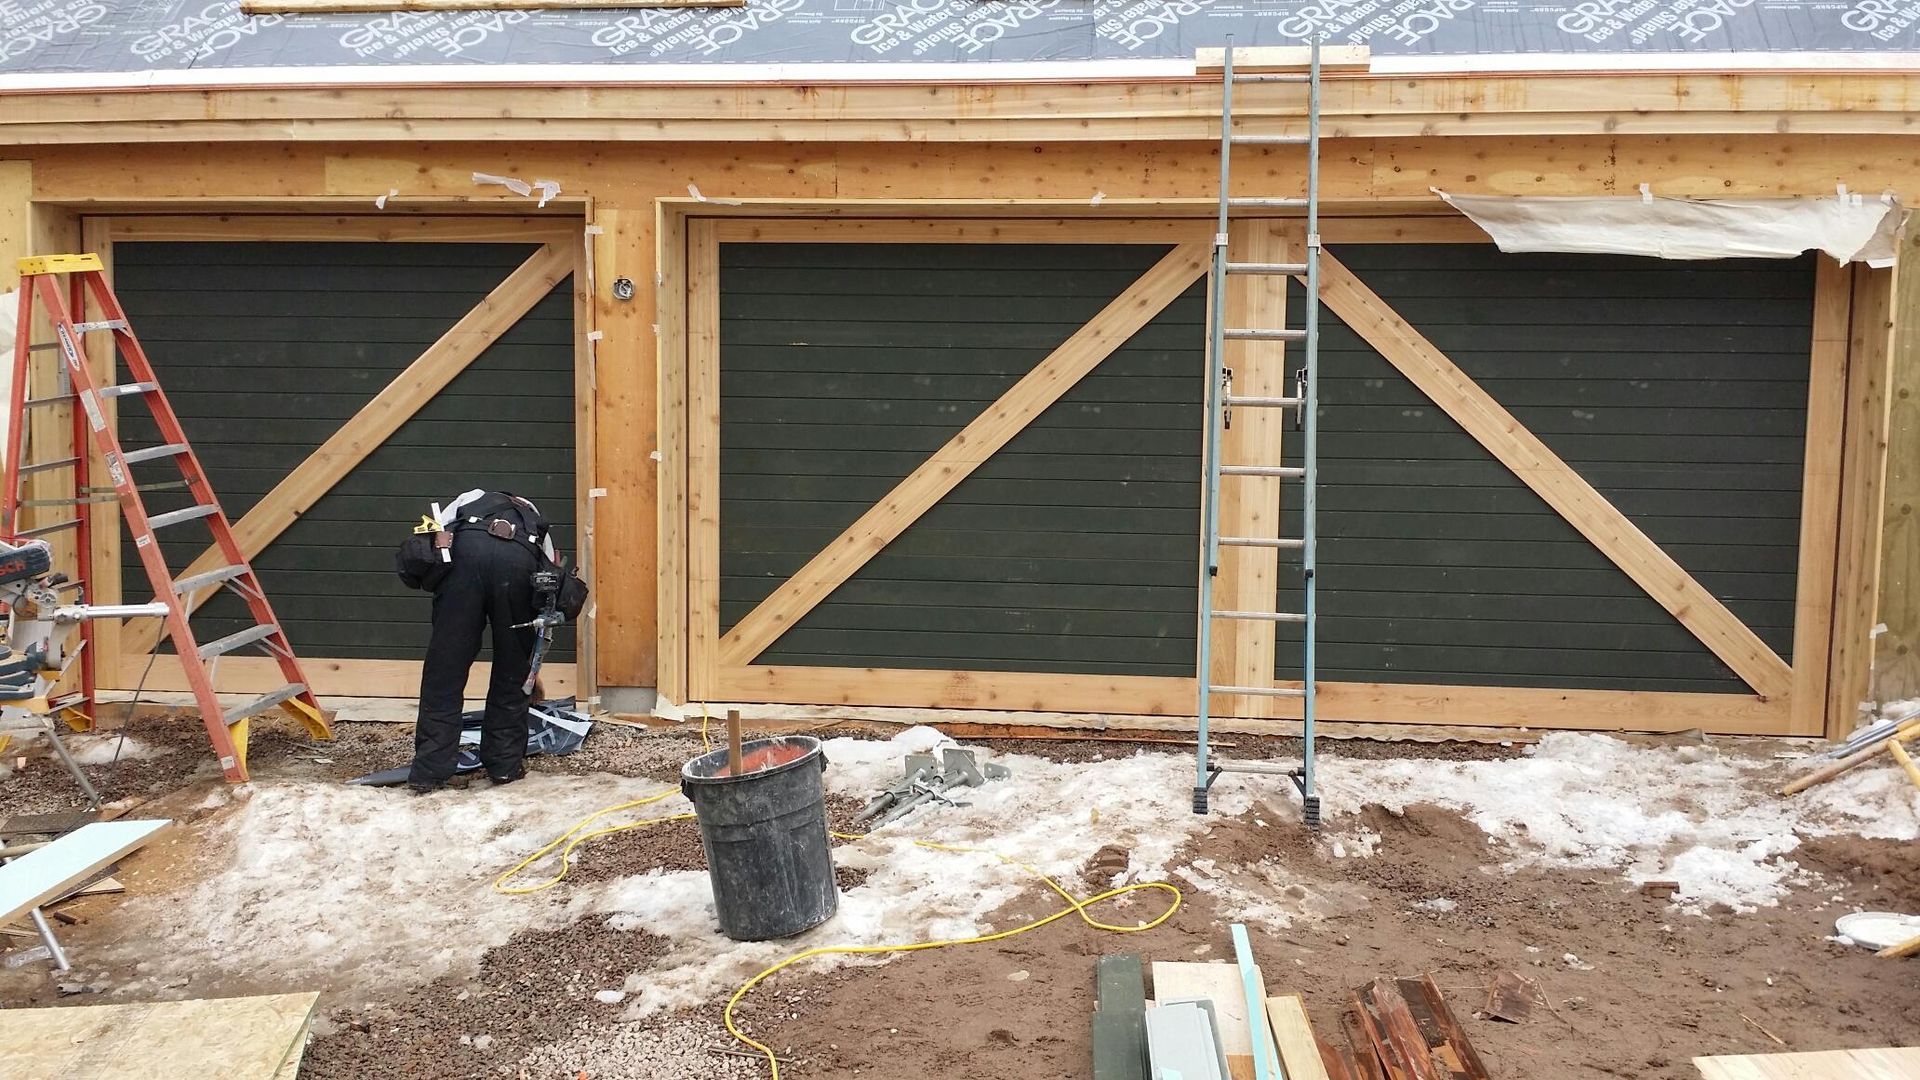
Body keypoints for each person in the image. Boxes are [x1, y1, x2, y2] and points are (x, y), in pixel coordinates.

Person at [407, 489, 560, 794]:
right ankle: (504, 766)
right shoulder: (535, 520)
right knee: (512, 671)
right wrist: (530, 669)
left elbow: (435, 538)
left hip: (464, 562)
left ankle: (429, 772)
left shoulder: (467, 499)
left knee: (445, 669)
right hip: (518, 565)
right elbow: (549, 576)